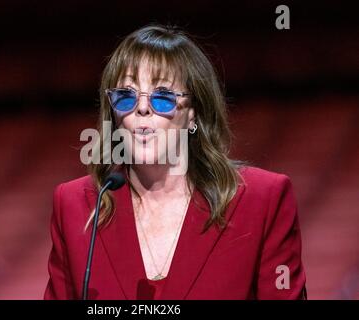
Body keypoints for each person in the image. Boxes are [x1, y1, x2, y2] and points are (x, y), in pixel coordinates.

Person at [44, 24, 307, 300]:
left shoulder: (262, 200)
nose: (142, 108)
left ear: (193, 114)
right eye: (126, 96)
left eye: (162, 97)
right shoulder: (75, 204)